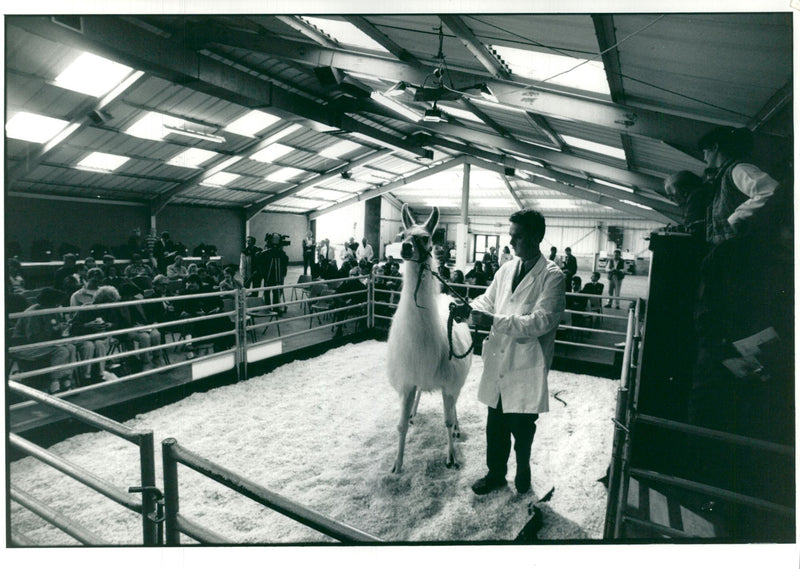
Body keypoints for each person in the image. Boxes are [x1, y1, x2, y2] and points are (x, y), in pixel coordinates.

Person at [468, 209, 565, 495]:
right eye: (511, 236)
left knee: (522, 426)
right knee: (495, 424)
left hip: (526, 363)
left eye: (518, 236)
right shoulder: (506, 268)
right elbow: (487, 300)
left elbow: (542, 320)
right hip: (499, 358)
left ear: (537, 236)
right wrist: (470, 309)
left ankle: (523, 469)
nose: (512, 242)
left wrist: (494, 320)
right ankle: (496, 473)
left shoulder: (552, 276)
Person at [11, 287, 79, 393]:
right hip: (25, 347)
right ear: (49, 302)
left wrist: (61, 330)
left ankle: (67, 380)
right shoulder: (33, 313)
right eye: (56, 303)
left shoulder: (52, 310)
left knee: (71, 347)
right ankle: (54, 382)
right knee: (62, 351)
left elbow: (54, 330)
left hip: (45, 344)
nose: (58, 305)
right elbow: (33, 337)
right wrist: (54, 331)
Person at [664, 170, 712, 240]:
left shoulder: (696, 199)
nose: (670, 200)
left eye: (672, 195)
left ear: (684, 191)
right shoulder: (703, 193)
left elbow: (690, 227)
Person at [256, 233, 289, 311]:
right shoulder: (267, 252)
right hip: (268, 275)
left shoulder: (280, 253)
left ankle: (276, 308)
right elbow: (260, 262)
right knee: (268, 291)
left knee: (276, 292)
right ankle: (267, 307)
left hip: (277, 276)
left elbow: (285, 262)